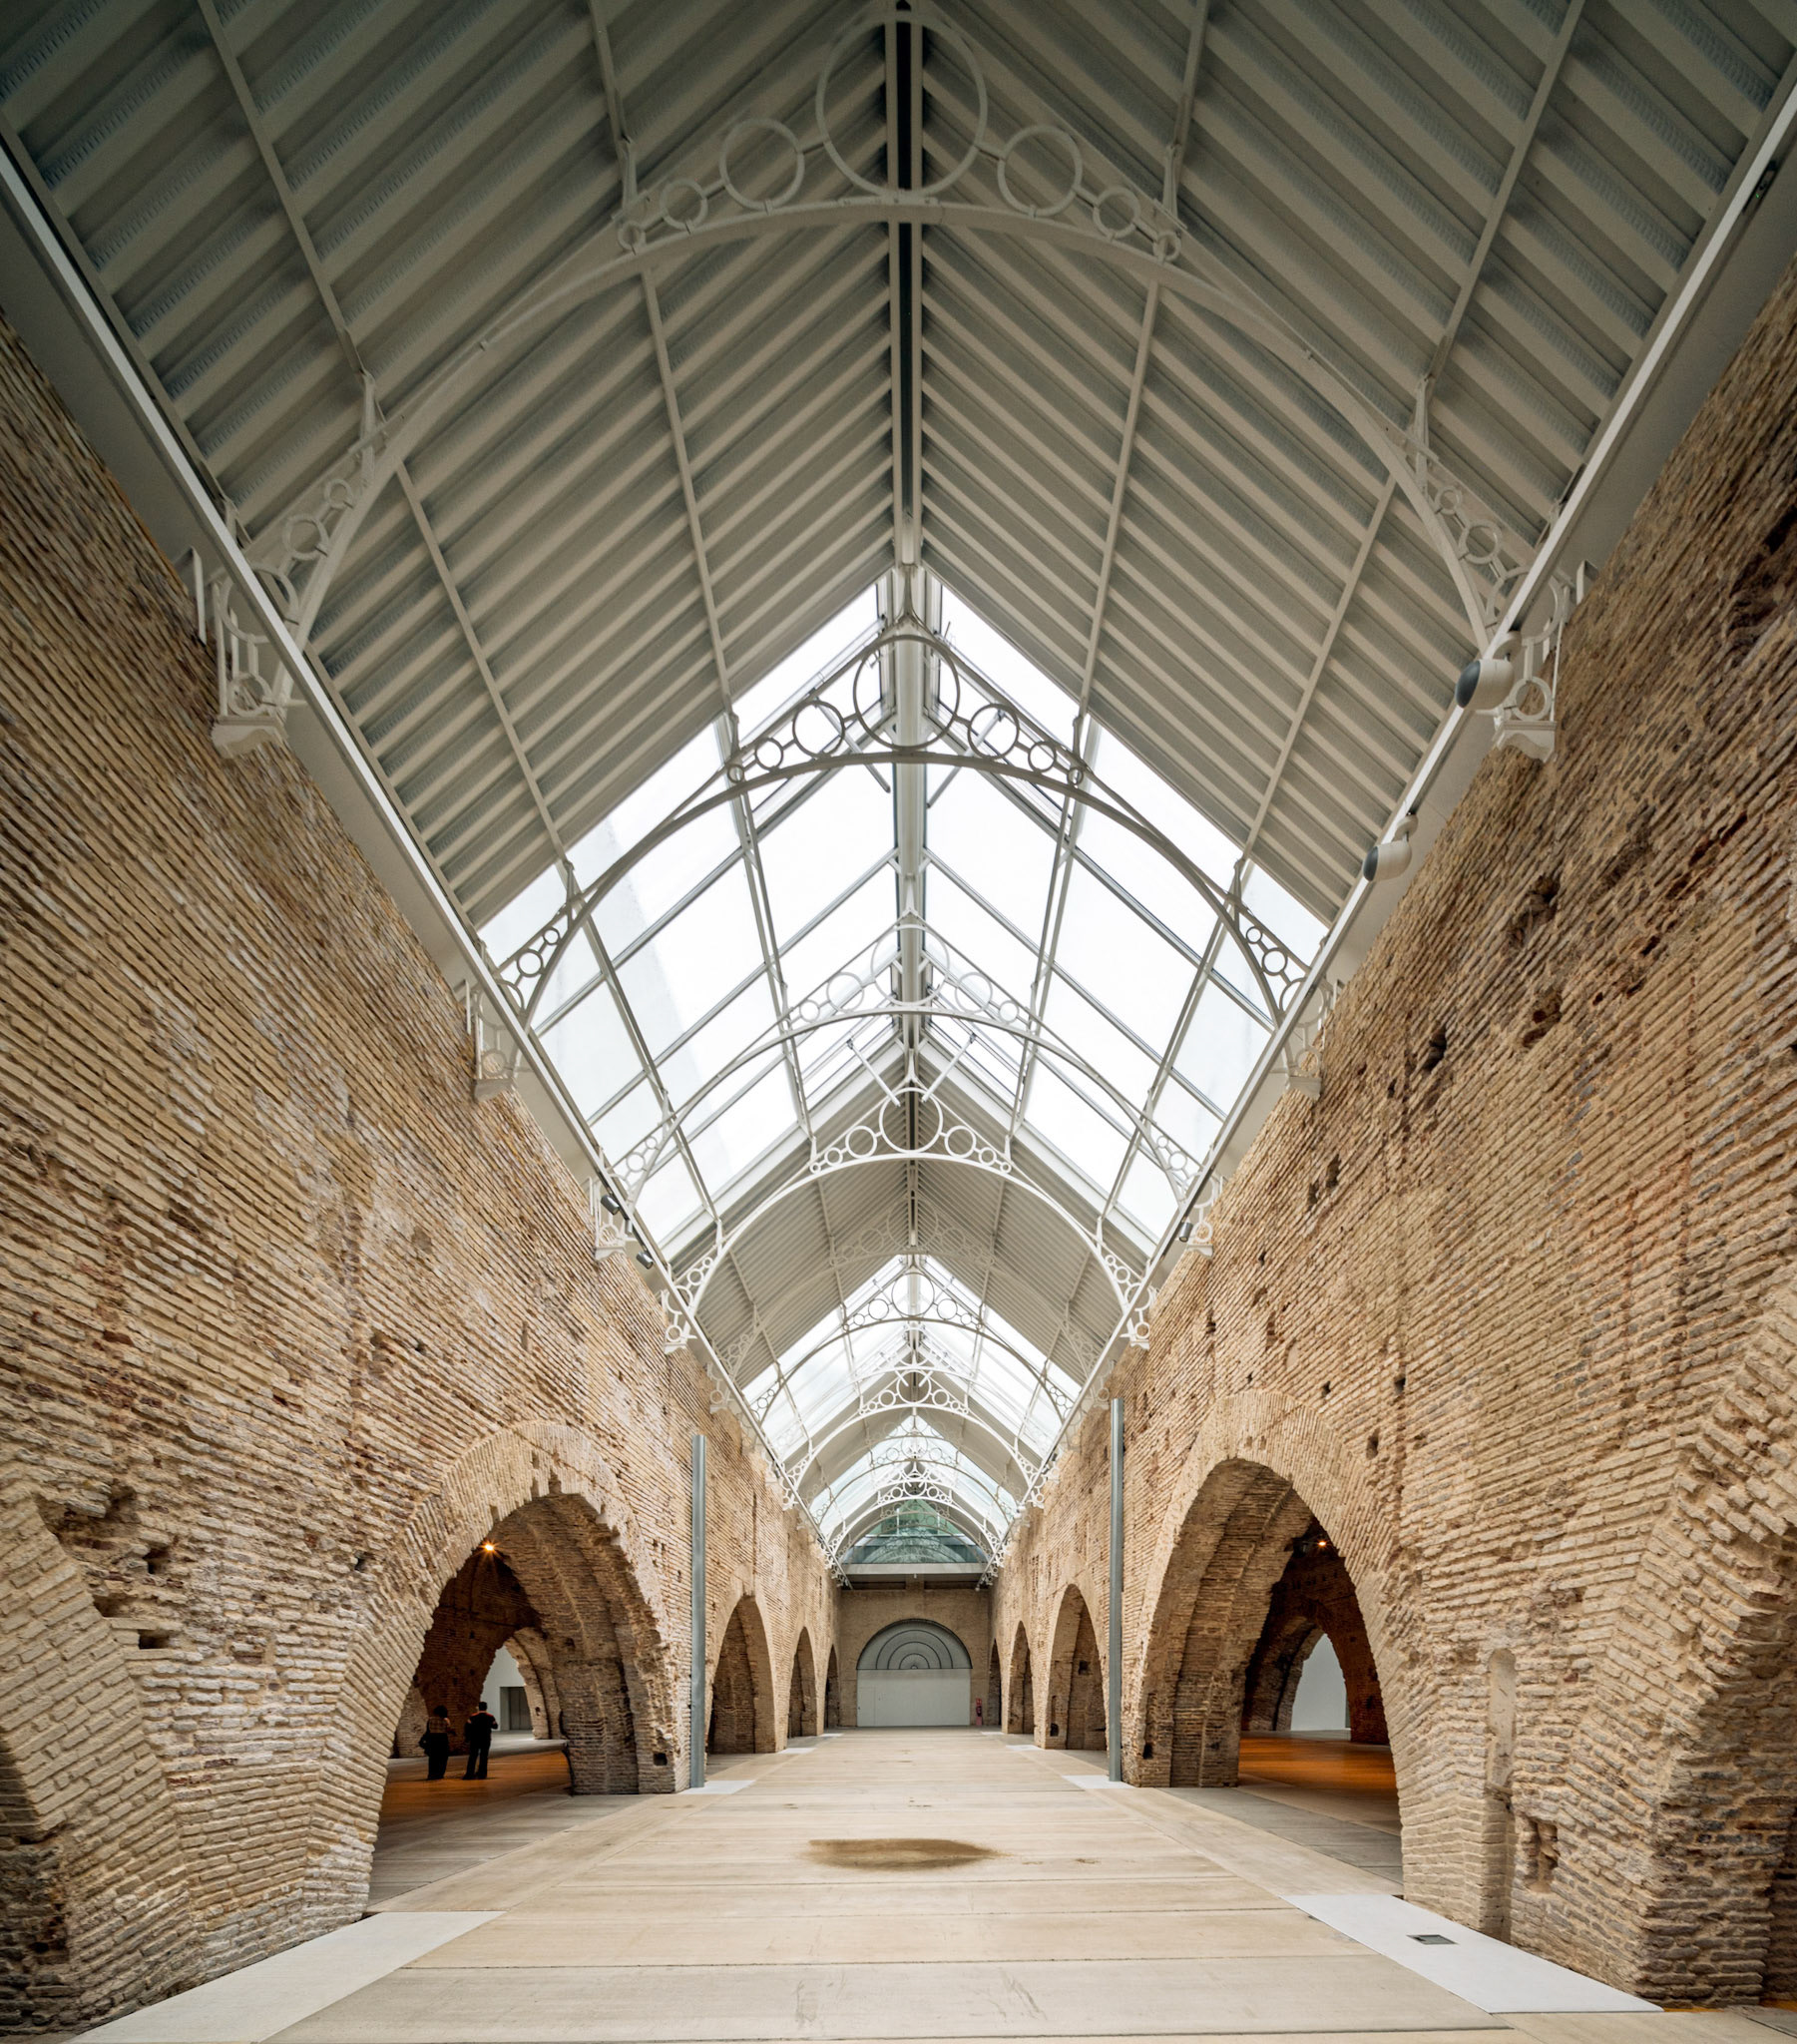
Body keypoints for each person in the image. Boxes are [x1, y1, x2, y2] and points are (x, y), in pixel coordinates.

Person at [463, 1702, 498, 1780]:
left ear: (478, 1707)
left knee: (472, 1756)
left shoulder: (472, 1717)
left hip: (475, 1739)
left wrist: (467, 1738)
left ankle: (469, 1774)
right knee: (484, 1756)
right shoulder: (490, 1717)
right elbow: (495, 1726)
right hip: (486, 1739)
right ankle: (482, 1774)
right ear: (486, 1707)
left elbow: (467, 1727)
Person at [420, 1707, 451, 1781]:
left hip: (432, 1739)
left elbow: (428, 1730)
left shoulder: (430, 1719)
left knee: (433, 1758)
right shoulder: (446, 1720)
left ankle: (431, 1774)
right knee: (443, 1758)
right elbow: (448, 1730)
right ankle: (440, 1774)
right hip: (442, 1739)